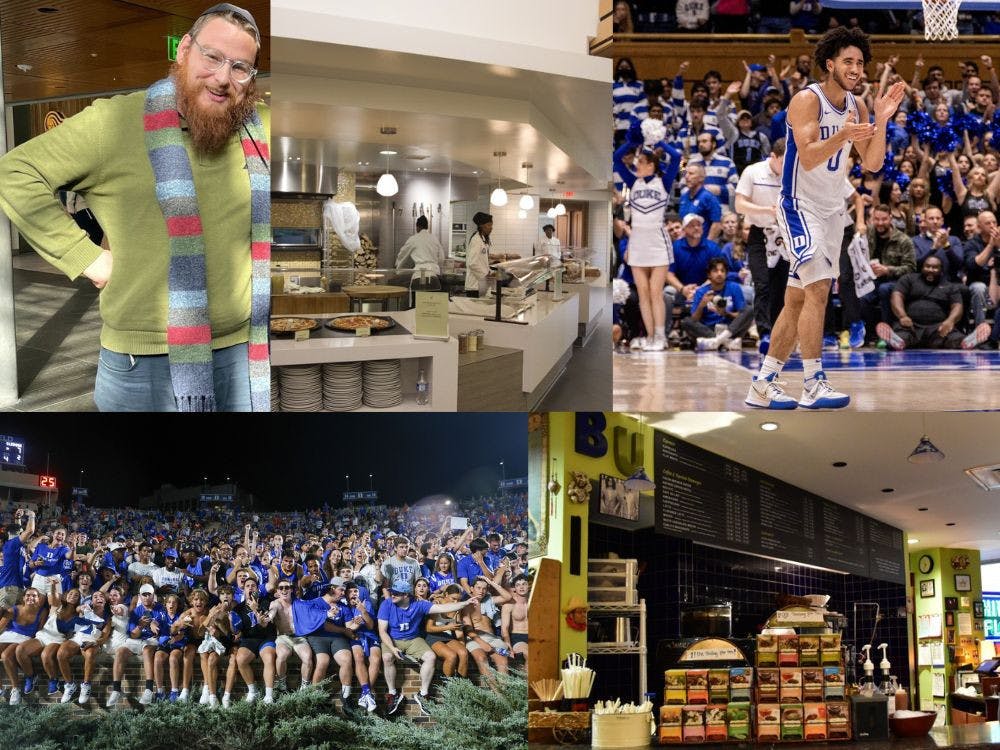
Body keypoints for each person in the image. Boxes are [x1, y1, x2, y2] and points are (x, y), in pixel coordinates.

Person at [0, 4, 270, 412]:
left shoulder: (259, 129)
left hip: (244, 353)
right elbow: (15, 172)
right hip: (143, 364)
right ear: (183, 51)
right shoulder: (114, 122)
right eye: (211, 57)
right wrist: (86, 258)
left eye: (240, 67)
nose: (222, 78)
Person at [747, 27, 906, 410]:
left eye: (860, 63)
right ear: (830, 63)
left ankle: (763, 383)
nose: (855, 68)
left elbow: (871, 163)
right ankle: (813, 381)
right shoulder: (807, 99)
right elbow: (810, 154)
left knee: (798, 298)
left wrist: (880, 120)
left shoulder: (859, 105)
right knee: (819, 288)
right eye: (848, 61)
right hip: (798, 206)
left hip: (833, 210)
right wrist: (843, 135)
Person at [614, 142, 682, 351]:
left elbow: (676, 158)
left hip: (657, 242)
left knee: (655, 291)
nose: (637, 165)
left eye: (641, 162)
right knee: (643, 293)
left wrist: (660, 143)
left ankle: (661, 336)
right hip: (637, 243)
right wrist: (631, 140)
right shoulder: (633, 182)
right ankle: (651, 336)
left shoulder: (664, 181)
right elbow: (616, 158)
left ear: (652, 165)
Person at [378, 578, 477, 716]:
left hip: (413, 639)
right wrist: (392, 648)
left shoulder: (419, 604)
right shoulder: (386, 604)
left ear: (406, 595)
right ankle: (392, 693)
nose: (392, 595)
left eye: (396, 593)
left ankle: (423, 694)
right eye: (392, 592)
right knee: (387, 657)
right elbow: (382, 631)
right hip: (392, 639)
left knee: (431, 657)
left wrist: (466, 603)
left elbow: (443, 608)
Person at [735, 139, 789, 355]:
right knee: (762, 283)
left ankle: (778, 332)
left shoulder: (791, 174)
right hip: (759, 233)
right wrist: (767, 210)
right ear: (773, 157)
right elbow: (739, 204)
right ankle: (764, 331)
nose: (787, 166)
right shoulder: (753, 172)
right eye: (783, 161)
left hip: (784, 235)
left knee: (781, 286)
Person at [876, 256, 990, 350]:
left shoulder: (950, 286)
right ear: (922, 267)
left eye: (935, 268)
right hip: (911, 325)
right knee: (904, 335)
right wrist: (902, 316)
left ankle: (966, 342)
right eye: (928, 266)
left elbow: (957, 306)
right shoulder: (908, 279)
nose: (930, 269)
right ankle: (896, 341)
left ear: (941, 270)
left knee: (952, 337)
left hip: (938, 328)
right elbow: (897, 296)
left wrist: (950, 321)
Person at [683, 258, 754, 351]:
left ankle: (717, 342)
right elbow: (694, 320)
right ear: (709, 274)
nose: (719, 273)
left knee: (749, 309)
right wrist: (701, 305)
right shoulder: (701, 291)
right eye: (715, 271)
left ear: (726, 274)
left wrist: (726, 313)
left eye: (722, 271)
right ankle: (726, 343)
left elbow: (741, 315)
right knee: (686, 322)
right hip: (709, 329)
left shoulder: (734, 287)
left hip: (730, 328)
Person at [0, 587, 48, 704]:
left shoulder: (42, 612)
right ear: (23, 598)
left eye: (34, 596)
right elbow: (1, 626)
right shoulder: (14, 609)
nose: (31, 598)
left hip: (24, 639)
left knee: (6, 656)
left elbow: (40, 631)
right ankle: (0, 688)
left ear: (38, 598)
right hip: (8, 636)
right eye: (28, 595)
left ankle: (15, 689)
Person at [0, 509, 34, 610]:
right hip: (10, 587)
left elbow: (19, 531)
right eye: (21, 533)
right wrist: (32, 516)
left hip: (14, 586)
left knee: (10, 620)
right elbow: (30, 531)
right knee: (4, 618)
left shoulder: (13, 545)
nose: (23, 535)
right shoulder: (12, 545)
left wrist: (18, 518)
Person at [500, 574, 529, 664]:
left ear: (529, 586)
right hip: (517, 637)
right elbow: (504, 629)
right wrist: (508, 645)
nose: (521, 587)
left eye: (524, 584)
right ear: (514, 589)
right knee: (529, 655)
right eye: (518, 585)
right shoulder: (509, 605)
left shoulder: (536, 602)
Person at [464, 212, 493, 297]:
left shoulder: (482, 239)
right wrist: (485, 275)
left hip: (479, 285)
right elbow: (472, 263)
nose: (491, 228)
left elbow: (481, 260)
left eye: (491, 225)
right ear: (481, 226)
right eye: (489, 225)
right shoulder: (476, 240)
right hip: (474, 286)